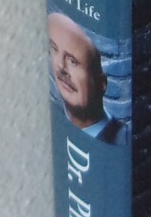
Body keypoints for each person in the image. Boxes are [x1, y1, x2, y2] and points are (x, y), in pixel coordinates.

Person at [48, 12, 128, 145]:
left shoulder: (122, 139)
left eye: (72, 61)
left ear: (101, 84)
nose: (61, 67)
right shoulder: (56, 117)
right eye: (54, 49)